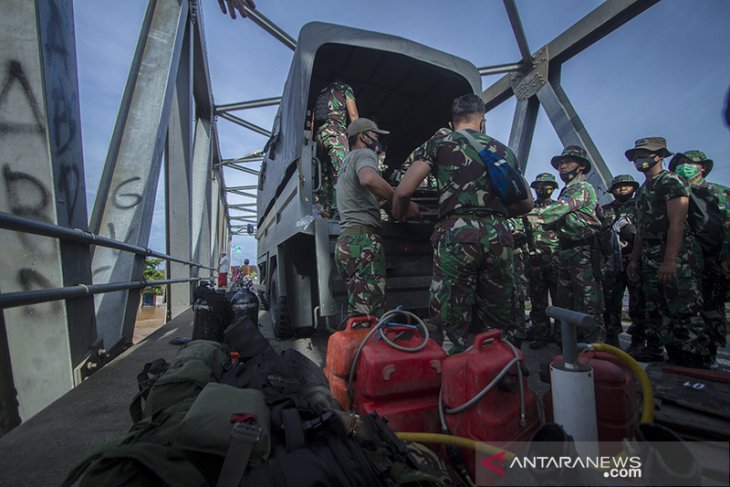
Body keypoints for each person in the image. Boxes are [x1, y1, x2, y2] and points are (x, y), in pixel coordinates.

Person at [393, 94, 532, 352]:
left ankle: (451, 375)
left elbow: (403, 191)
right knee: (499, 320)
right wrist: (493, 215)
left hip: (457, 236)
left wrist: (399, 212)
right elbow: (527, 204)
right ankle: (501, 374)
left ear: (452, 121)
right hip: (499, 236)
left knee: (449, 322)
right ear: (483, 123)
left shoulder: (439, 143)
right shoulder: (503, 150)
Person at [625, 138, 709, 367]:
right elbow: (641, 229)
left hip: (677, 254)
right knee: (656, 310)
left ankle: (694, 363)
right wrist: (634, 259)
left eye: (645, 154)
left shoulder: (671, 181)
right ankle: (665, 358)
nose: (639, 159)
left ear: (659, 155)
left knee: (684, 310)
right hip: (649, 254)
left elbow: (678, 223)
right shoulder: (643, 190)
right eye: (636, 155)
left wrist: (670, 260)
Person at [334, 118, 420, 317]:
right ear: (363, 137)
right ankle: (369, 346)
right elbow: (369, 179)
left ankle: (355, 347)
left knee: (358, 309)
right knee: (370, 313)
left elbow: (358, 194)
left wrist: (381, 200)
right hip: (363, 242)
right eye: (375, 135)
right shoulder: (365, 154)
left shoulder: (346, 162)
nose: (378, 140)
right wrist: (400, 200)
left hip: (346, 242)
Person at [527, 146, 604, 344]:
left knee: (589, 302)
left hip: (583, 250)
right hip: (567, 250)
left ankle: (596, 348)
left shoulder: (581, 188)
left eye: (568, 161)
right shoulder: (567, 190)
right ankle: (567, 346)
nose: (563, 165)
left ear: (581, 166)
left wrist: (523, 213)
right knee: (565, 302)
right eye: (561, 162)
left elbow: (554, 211)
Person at [668, 150, 727, 368]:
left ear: (702, 167)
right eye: (680, 163)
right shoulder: (671, 193)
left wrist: (726, 256)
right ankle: (684, 353)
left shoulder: (718, 193)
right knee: (682, 307)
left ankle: (708, 355)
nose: (685, 167)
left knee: (711, 307)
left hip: (713, 258)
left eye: (690, 163)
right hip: (681, 258)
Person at [600, 174, 647, 350]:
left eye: (626, 186)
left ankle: (638, 340)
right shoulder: (605, 210)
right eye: (619, 187)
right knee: (610, 301)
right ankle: (611, 337)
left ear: (633, 189)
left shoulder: (639, 207)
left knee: (638, 301)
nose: (622, 189)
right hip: (612, 261)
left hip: (635, 259)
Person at [524, 173, 560, 349]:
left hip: (555, 260)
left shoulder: (560, 208)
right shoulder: (528, 208)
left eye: (547, 185)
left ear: (553, 188)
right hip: (534, 259)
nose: (542, 188)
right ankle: (540, 334)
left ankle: (562, 336)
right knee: (538, 300)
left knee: (560, 299)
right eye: (539, 185)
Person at [314, 80, 360, 217]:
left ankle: (323, 211)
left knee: (325, 176)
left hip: (320, 136)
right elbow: (353, 115)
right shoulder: (345, 88)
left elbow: (313, 120)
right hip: (336, 133)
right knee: (342, 172)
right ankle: (340, 211)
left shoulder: (322, 92)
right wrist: (359, 135)